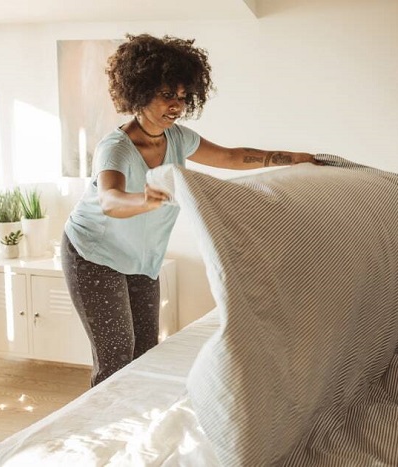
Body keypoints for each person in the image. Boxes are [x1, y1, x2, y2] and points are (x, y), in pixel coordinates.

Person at [62, 33, 319, 386]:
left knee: (145, 353)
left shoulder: (179, 138)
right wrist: (144, 200)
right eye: (167, 95)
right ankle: (101, 430)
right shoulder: (116, 148)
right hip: (93, 255)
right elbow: (109, 200)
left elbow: (229, 157)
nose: (177, 106)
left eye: (182, 97)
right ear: (140, 91)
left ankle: (136, 423)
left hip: (140, 258)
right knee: (116, 359)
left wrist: (289, 158)